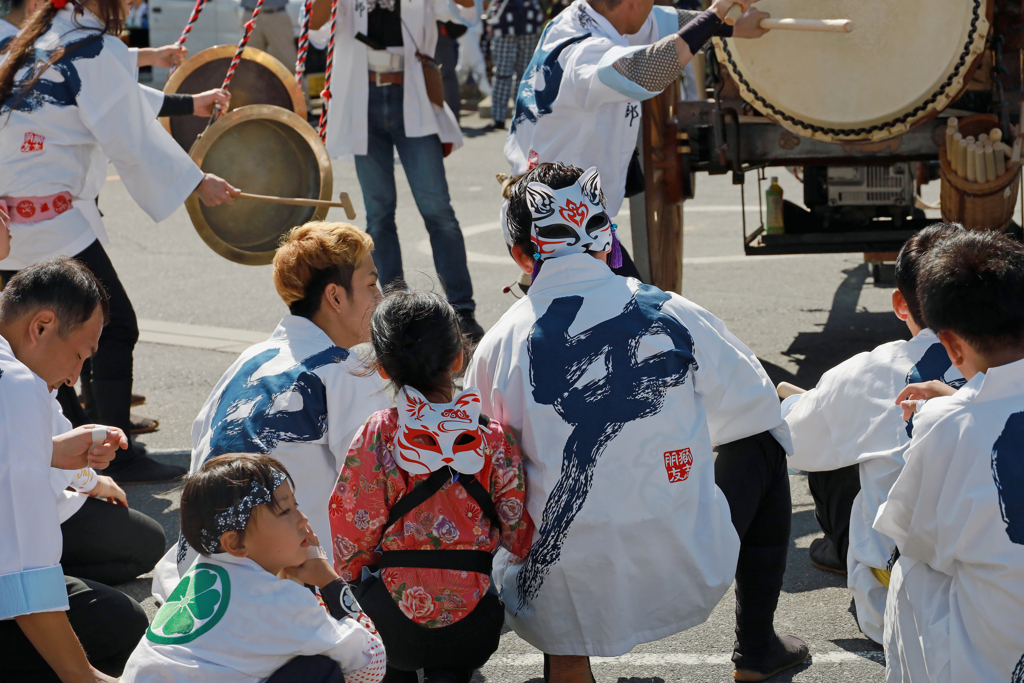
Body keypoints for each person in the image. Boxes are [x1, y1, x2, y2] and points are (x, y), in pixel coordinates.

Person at [467, 163, 807, 682]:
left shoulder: (498, 345)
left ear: (519, 254)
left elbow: (482, 464)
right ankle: (757, 646)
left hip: (559, 581)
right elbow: (754, 407)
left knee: (535, 499)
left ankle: (567, 669)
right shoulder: (671, 311)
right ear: (607, 240)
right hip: (678, 558)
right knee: (763, 441)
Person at [0, 0, 240, 484]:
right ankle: (111, 450)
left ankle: (60, 441)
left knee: (36, 337)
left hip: (12, 223)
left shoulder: (35, 42)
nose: (132, 5)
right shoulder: (92, 49)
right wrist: (197, 181)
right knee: (111, 326)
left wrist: (187, 105)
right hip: (52, 224)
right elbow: (130, 134)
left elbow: (118, 100)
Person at [152, 222, 391, 601]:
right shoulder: (345, 372)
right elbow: (381, 485)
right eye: (370, 284)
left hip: (196, 580)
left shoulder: (249, 359)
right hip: (288, 591)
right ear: (335, 296)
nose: (380, 297)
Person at [331, 289, 533, 683]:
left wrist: (358, 580)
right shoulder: (493, 438)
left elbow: (351, 533)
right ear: (459, 357)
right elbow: (519, 535)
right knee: (455, 666)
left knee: (388, 659)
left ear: (384, 368)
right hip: (475, 622)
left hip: (393, 621)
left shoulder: (380, 434)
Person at [782, 223, 965, 644]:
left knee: (834, 438)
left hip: (902, 609)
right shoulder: (1005, 369)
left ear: (901, 304)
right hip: (1000, 591)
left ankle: (842, 549)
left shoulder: (870, 370)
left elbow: (794, 441)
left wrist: (800, 402)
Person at [501, 0, 767, 279]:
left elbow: (666, 21)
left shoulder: (579, 17)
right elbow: (643, 72)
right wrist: (716, 14)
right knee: (629, 313)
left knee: (620, 309)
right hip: (556, 223)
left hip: (560, 213)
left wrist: (730, 25)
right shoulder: (585, 54)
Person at [873, 230, 1024, 683]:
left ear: (951, 346)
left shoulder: (949, 424)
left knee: (910, 568)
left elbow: (913, 535)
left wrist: (943, 411)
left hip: (999, 654)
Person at [0, 257, 147, 683]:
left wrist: (47, 452)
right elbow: (24, 567)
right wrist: (83, 676)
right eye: (79, 356)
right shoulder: (16, 383)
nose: (73, 378)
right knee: (122, 622)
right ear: (41, 326)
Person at [123, 454, 387, 683]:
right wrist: (329, 581)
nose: (302, 518)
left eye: (295, 505)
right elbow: (371, 664)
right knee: (320, 669)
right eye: (285, 511)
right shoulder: (278, 601)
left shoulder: (202, 571)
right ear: (235, 542)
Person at [313, 0, 487, 340]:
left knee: (438, 209)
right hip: (362, 100)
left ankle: (462, 310)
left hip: (414, 96)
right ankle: (395, 312)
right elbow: (317, 32)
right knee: (378, 214)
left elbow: (465, 11)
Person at [484, 0, 542, 130]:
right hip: (508, 23)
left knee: (525, 76)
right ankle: (501, 118)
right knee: (503, 74)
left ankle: (521, 117)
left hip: (527, 22)